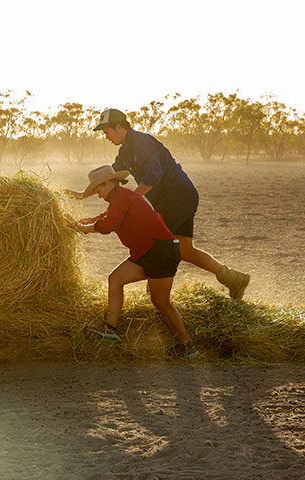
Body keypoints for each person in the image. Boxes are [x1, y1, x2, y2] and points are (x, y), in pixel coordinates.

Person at [89, 108, 250, 300]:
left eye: (106, 132)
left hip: (178, 197)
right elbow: (110, 177)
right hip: (177, 198)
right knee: (185, 251)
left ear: (118, 127)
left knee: (154, 242)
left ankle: (156, 296)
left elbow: (154, 175)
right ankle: (234, 279)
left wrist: (133, 199)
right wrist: (86, 192)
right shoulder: (125, 151)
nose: (106, 137)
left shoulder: (143, 143)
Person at [65, 165, 200, 359]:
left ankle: (188, 347)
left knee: (161, 302)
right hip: (146, 252)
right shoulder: (119, 197)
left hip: (160, 250)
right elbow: (103, 217)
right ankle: (110, 330)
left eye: (99, 190)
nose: (99, 195)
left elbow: (109, 224)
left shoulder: (121, 196)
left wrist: (84, 228)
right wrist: (78, 224)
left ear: (109, 183)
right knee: (116, 279)